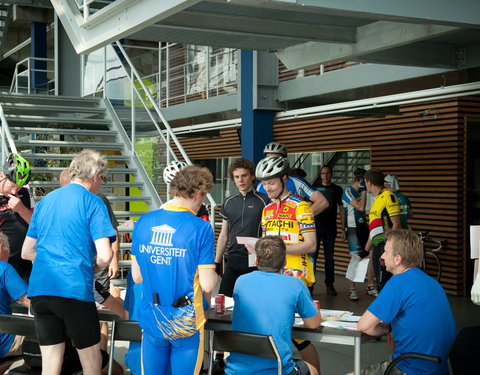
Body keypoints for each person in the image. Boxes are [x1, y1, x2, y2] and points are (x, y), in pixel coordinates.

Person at [21, 149, 115, 375]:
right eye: (103, 178)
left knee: (51, 364)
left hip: (41, 289)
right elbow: (105, 255)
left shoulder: (46, 201)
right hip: (73, 288)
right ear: (95, 176)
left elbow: (26, 251)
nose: (102, 184)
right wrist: (93, 265)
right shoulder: (94, 203)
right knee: (91, 363)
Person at [130, 165, 218, 375]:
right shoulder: (201, 227)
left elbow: (137, 276)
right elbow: (207, 284)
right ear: (198, 194)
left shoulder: (143, 222)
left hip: (152, 315)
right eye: (204, 198)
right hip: (186, 320)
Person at [357, 229, 456, 375]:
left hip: (409, 369)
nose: (382, 256)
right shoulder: (432, 282)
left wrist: (387, 329)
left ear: (397, 259)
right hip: (439, 369)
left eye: (385, 252)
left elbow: (364, 325)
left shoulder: (398, 283)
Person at [256, 156, 320, 374]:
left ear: (284, 179)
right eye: (264, 184)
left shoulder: (301, 207)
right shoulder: (266, 210)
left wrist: (277, 249)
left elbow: (311, 245)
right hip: (270, 277)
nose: (267, 188)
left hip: (296, 277)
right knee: (275, 332)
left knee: (301, 338)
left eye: (271, 182)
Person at [225, 236, 321, 375]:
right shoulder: (295, 285)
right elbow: (313, 324)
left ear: (256, 260)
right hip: (278, 369)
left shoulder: (241, 281)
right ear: (285, 261)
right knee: (312, 370)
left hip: (236, 370)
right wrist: (298, 284)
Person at [215, 158, 269, 296]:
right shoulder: (228, 202)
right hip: (232, 259)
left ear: (252, 176)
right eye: (237, 177)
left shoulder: (265, 201)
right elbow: (224, 235)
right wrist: (216, 262)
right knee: (223, 300)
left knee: (253, 302)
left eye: (244, 175)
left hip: (256, 261)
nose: (241, 180)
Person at [257, 142, 329, 216]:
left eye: (275, 158)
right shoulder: (260, 186)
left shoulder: (296, 181)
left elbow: (322, 202)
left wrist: (301, 218)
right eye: (268, 158)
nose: (271, 162)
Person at [342, 168, 377, 300]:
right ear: (361, 180)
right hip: (352, 228)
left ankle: (371, 286)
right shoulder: (348, 191)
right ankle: (352, 289)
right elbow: (361, 207)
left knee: (370, 255)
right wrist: (363, 191)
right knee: (356, 257)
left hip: (363, 226)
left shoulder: (363, 192)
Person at [364, 168, 401, 291]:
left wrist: (388, 247)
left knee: (383, 283)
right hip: (377, 246)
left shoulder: (388, 196)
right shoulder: (377, 199)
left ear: (369, 182)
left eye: (365, 182)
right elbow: (375, 227)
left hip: (385, 246)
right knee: (380, 283)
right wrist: (366, 248)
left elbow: (396, 224)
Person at [0, 153, 33, 282]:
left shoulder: (24, 194)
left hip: (26, 262)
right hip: (5, 263)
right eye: (12, 186)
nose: (15, 192)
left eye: (18, 187)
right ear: (1, 176)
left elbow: (36, 223)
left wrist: (21, 209)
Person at [312, 165, 345, 296]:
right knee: (312, 258)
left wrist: (344, 228)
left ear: (332, 174)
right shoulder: (314, 188)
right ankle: (310, 285)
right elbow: (308, 207)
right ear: (320, 175)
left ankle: (330, 284)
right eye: (323, 173)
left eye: (327, 173)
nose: (325, 176)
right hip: (315, 229)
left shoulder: (337, 189)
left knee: (329, 258)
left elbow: (341, 208)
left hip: (331, 229)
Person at [0, 232, 30, 375]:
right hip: (4, 342)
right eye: (9, 249)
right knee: (52, 334)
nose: (10, 254)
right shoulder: (4, 268)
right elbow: (29, 302)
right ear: (1, 247)